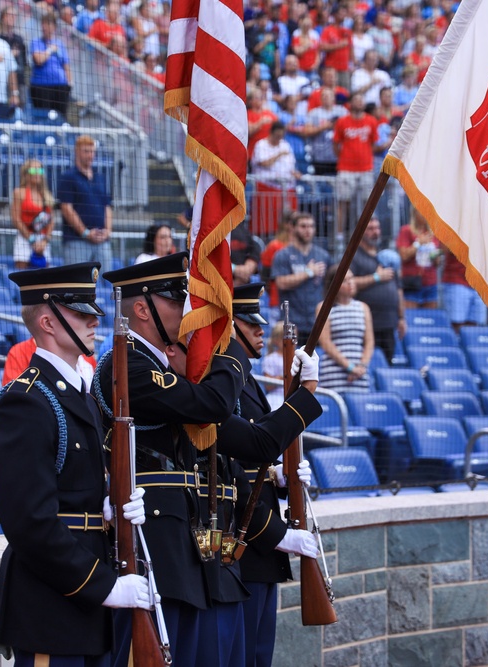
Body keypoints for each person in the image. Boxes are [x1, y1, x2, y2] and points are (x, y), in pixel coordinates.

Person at [94, 254, 322, 667]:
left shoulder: (163, 368)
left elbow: (253, 443)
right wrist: (229, 344)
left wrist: (305, 392)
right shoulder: (127, 365)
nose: (186, 310)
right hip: (159, 548)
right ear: (142, 309)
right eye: (175, 299)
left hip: (197, 551)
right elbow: (213, 404)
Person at [0, 262, 152, 664]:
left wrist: (112, 507)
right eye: (81, 313)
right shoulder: (26, 400)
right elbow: (30, 523)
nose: (94, 321)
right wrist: (103, 587)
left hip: (87, 604)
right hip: (52, 605)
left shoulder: (80, 394)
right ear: (47, 321)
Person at [228, 283, 319, 667]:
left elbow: (258, 455)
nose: (261, 331)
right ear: (229, 326)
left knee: (259, 654)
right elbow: (233, 467)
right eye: (251, 325)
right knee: (244, 655)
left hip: (260, 544)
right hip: (247, 540)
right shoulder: (227, 380)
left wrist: (281, 478)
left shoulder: (244, 377)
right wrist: (307, 392)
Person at [271, 211, 332, 346]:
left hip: (316, 321)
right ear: (293, 228)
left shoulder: (323, 255)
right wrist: (308, 273)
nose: (307, 230)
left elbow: (331, 284)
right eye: (303, 226)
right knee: (292, 364)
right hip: (292, 322)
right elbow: (281, 283)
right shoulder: (283, 255)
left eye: (311, 226)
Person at [351, 217, 406, 362]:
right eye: (370, 229)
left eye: (377, 228)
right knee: (367, 363)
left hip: (389, 322)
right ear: (361, 232)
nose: (375, 232)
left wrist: (401, 318)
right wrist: (376, 277)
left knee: (387, 364)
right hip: (367, 324)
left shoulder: (387, 256)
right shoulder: (354, 256)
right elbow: (348, 282)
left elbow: (398, 289)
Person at [58, 135, 113, 268]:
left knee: (106, 282)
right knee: (76, 285)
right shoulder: (68, 177)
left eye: (92, 151)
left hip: (102, 241)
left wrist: (107, 231)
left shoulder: (100, 177)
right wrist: (85, 233)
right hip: (77, 241)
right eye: (86, 151)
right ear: (77, 152)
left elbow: (107, 206)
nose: (90, 155)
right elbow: (66, 208)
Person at [316, 265, 373, 392]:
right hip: (334, 376)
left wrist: (361, 366)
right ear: (334, 284)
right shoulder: (323, 307)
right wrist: (349, 367)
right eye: (345, 280)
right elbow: (325, 343)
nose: (351, 283)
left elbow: (369, 342)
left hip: (360, 376)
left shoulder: (363, 308)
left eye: (352, 278)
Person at [334, 93, 380, 242]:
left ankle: (366, 235)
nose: (360, 102)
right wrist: (345, 158)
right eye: (357, 100)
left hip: (366, 168)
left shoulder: (371, 121)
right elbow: (336, 144)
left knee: (368, 203)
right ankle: (339, 236)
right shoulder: (342, 121)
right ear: (351, 103)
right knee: (343, 202)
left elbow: (373, 144)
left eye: (362, 100)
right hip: (346, 168)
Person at [251, 120, 300, 238]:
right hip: (267, 187)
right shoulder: (261, 144)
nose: (279, 138)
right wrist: (279, 154)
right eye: (277, 136)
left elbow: (291, 166)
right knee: (266, 222)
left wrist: (296, 173)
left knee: (289, 220)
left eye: (281, 136)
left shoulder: (285, 144)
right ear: (271, 133)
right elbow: (264, 163)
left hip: (287, 188)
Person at [11, 159, 55, 270]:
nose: (37, 173)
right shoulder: (19, 192)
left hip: (43, 241)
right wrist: (32, 240)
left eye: (39, 171)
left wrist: (45, 241)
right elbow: (16, 219)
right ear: (26, 174)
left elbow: (51, 221)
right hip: (25, 238)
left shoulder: (46, 196)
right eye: (33, 170)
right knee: (22, 276)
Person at [2, 337, 96, 387]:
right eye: (80, 316)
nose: (96, 323)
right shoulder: (19, 352)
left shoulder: (85, 355)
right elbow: (14, 397)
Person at [29, 10, 72, 115]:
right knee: (43, 119)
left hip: (60, 87)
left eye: (48, 24)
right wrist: (50, 50)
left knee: (61, 117)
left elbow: (66, 65)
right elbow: (38, 60)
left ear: (54, 27)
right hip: (41, 87)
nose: (44, 27)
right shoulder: (36, 42)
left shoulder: (60, 44)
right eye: (43, 23)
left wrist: (70, 84)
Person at [396, 211, 441, 309]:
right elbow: (404, 256)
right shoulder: (406, 231)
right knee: (412, 319)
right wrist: (418, 243)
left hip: (430, 283)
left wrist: (435, 256)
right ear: (415, 213)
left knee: (430, 319)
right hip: (412, 283)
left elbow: (437, 263)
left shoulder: (433, 233)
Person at [305, 87, 348, 176]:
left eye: (328, 95)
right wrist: (323, 127)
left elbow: (350, 129)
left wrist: (337, 127)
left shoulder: (342, 111)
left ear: (333, 98)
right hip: (319, 157)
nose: (326, 97)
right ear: (320, 99)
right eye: (323, 96)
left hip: (338, 156)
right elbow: (306, 131)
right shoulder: (314, 113)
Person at [442, 251, 487, 332]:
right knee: (457, 326)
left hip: (479, 284)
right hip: (457, 280)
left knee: (474, 328)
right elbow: (444, 247)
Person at [0, 6, 28, 114]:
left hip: (20, 78)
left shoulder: (19, 38)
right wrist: (10, 55)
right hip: (3, 79)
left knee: (21, 107)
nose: (12, 18)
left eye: (14, 16)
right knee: (5, 109)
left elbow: (24, 62)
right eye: (9, 15)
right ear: (2, 18)